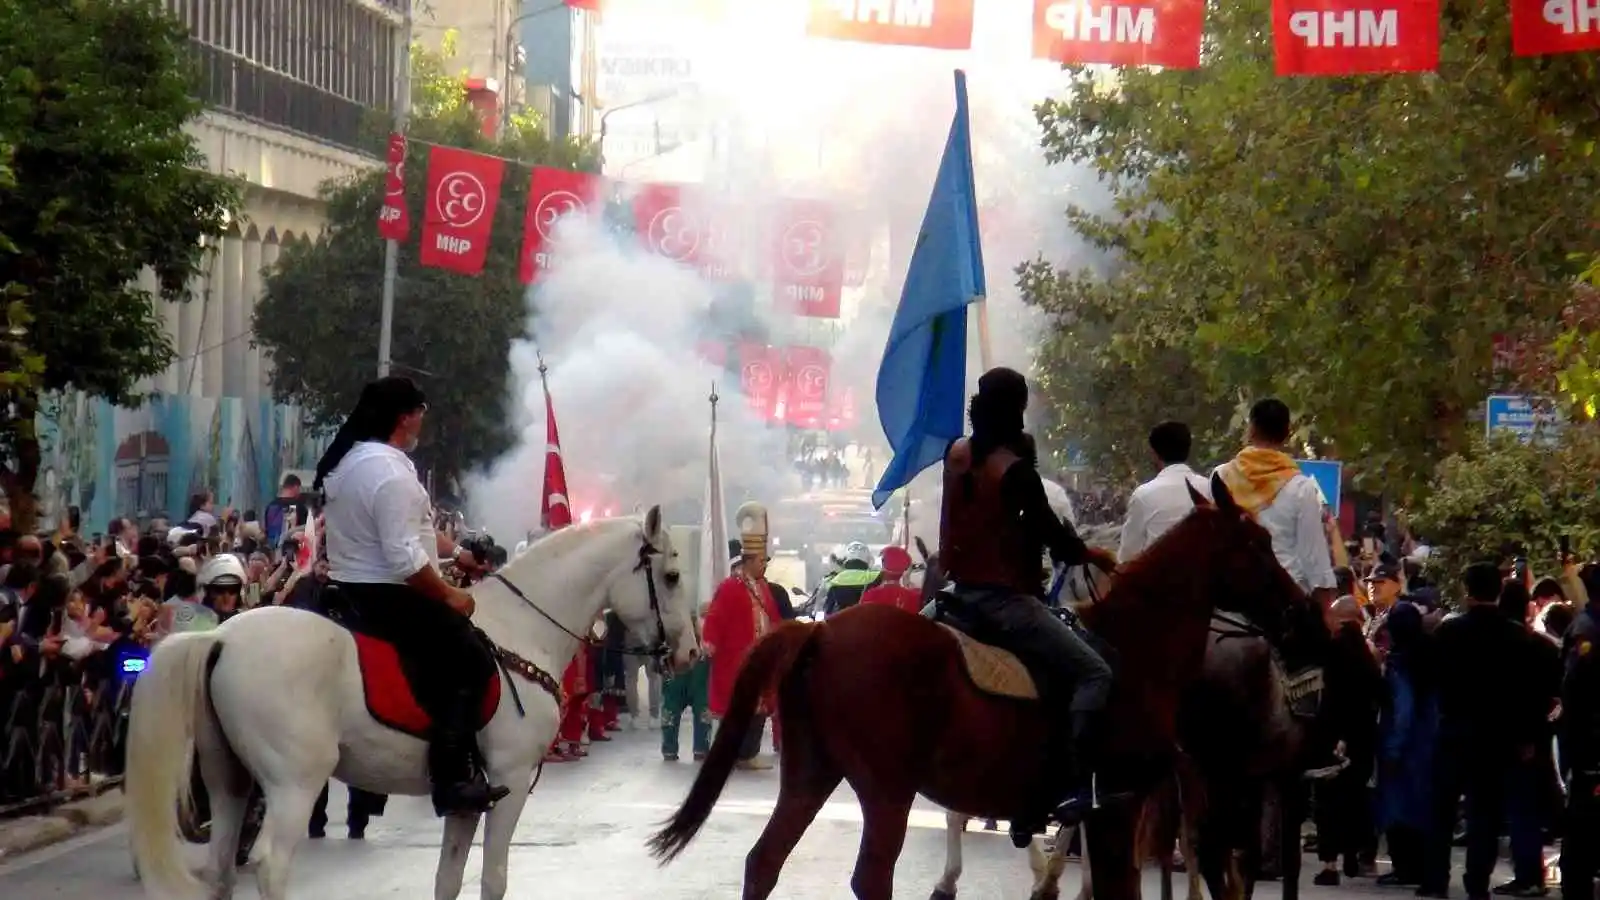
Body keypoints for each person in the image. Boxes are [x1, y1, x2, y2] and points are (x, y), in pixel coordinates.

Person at [937, 366, 1118, 847]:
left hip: (956, 596)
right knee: (1094, 672)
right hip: (1005, 603)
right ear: (1017, 410)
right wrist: (1093, 554)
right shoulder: (1015, 472)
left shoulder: (954, 455)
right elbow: (1058, 542)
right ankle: (1078, 785)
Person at [314, 375, 508, 816]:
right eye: (420, 412)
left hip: (347, 588)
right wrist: (451, 594)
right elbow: (404, 557)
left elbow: (415, 529)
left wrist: (459, 553)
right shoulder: (390, 473)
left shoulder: (350, 463)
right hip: (389, 595)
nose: (422, 420)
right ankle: (452, 776)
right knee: (471, 661)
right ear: (405, 416)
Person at [1214, 399, 1338, 608]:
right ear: (1287, 433)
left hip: (1232, 598)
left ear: (1251, 429)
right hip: (1284, 602)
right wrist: (1325, 608)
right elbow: (1313, 555)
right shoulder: (1302, 487)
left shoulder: (1221, 477)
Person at [703, 501, 783, 771]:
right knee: (736, 709)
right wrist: (710, 642)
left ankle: (748, 753)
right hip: (735, 660)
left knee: (758, 709)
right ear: (748, 560)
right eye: (762, 560)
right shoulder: (729, 587)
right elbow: (715, 617)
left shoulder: (763, 588)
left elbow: (772, 617)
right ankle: (732, 753)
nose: (765, 565)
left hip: (759, 660)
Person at [1118, 421, 1210, 561]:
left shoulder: (1143, 494)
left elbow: (1128, 554)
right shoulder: (1209, 488)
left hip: (1158, 579)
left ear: (1154, 454)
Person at [820, 541, 878, 616]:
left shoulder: (834, 580)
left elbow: (827, 611)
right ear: (868, 559)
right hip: (867, 622)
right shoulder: (876, 577)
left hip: (841, 623)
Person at [860, 545, 922, 614]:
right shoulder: (915, 597)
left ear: (882, 566)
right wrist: (907, 581)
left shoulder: (869, 596)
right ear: (907, 570)